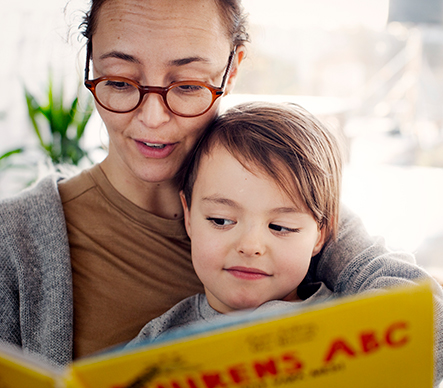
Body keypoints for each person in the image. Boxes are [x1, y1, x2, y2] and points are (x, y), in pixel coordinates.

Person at [0, 2, 441, 385]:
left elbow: (429, 329)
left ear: (231, 69)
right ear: (91, 66)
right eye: (119, 80)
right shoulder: (14, 242)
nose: (153, 118)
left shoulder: (291, 203)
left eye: (188, 85)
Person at [130, 101, 341, 343]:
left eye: (281, 227)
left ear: (320, 234)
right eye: (221, 220)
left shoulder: (351, 324)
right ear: (188, 217)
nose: (250, 246)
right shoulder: (156, 343)